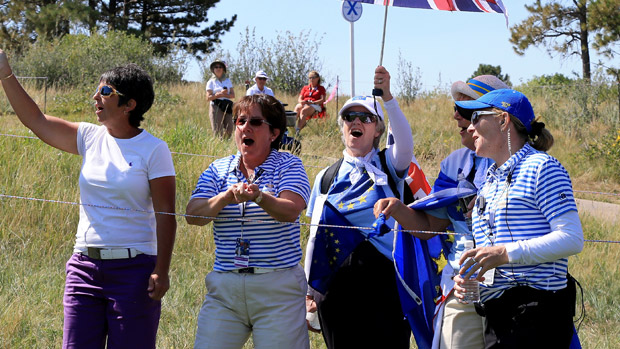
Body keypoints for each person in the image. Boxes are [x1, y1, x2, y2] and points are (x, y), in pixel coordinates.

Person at [0, 49, 176, 348]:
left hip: (134, 273)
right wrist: (5, 73)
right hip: (83, 268)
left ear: (129, 104)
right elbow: (35, 120)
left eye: (105, 91)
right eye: (97, 89)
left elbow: (166, 215)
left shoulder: (153, 149)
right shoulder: (90, 137)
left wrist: (161, 270)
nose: (95, 97)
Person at [374, 75, 508, 349]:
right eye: (455, 108)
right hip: (463, 288)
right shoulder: (454, 165)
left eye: (466, 109)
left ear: (497, 116)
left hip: (514, 290)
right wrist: (398, 209)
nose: (456, 116)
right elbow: (430, 227)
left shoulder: (528, 165)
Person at [453, 89, 584, 348]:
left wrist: (504, 253)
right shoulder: (489, 182)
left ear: (503, 120)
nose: (469, 127)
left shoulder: (542, 167)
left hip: (538, 311)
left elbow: (572, 238)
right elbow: (494, 256)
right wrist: (470, 276)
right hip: (497, 316)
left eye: (477, 117)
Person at [186, 94, 311, 349]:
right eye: (240, 121)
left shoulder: (289, 165)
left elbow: (290, 210)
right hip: (225, 289)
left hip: (277, 289)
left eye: (255, 121)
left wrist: (259, 197)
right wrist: (224, 198)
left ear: (274, 133)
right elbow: (193, 214)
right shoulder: (217, 169)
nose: (245, 127)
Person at [305, 66, 413, 348]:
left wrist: (387, 98)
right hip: (336, 285)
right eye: (349, 116)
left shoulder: (389, 165)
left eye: (366, 117)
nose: (356, 121)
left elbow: (405, 144)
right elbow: (314, 235)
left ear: (377, 129)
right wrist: (309, 287)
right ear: (342, 126)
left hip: (385, 282)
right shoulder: (326, 177)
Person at [206, 59, 235, 138]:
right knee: (217, 130)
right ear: (213, 69)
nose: (218, 68)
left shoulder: (227, 80)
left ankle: (226, 143)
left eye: (220, 67)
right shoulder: (211, 82)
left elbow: (233, 95)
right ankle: (219, 145)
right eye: (216, 67)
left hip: (227, 105)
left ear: (223, 69)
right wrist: (218, 94)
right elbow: (208, 97)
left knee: (230, 128)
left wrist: (225, 94)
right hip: (215, 105)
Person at [293, 70, 326, 135]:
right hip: (306, 103)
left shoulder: (321, 88)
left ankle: (298, 130)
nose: (311, 79)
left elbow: (322, 99)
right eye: (310, 78)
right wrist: (302, 101)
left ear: (317, 78)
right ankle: (292, 125)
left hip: (315, 105)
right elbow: (300, 98)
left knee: (304, 111)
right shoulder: (305, 88)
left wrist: (313, 103)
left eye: (313, 77)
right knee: (297, 107)